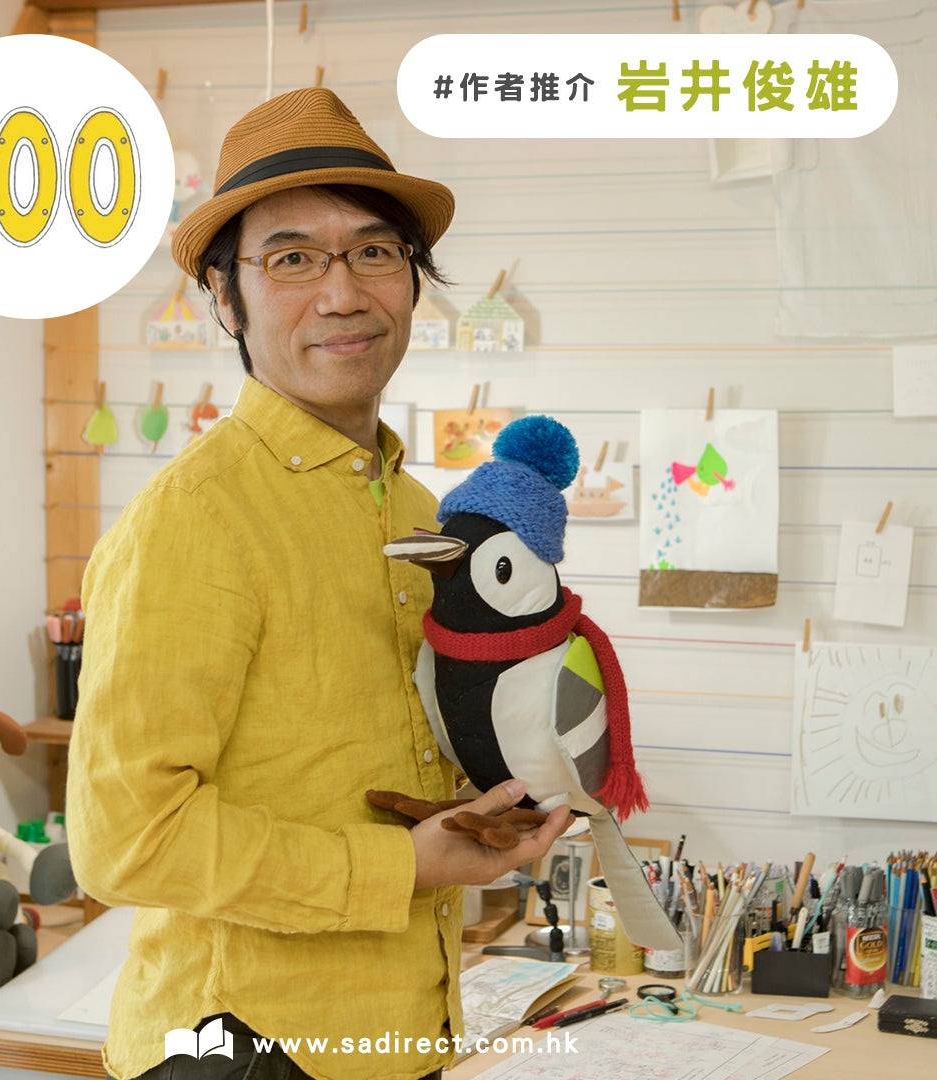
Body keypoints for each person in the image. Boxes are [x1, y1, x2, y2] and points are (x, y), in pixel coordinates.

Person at [65, 87, 571, 1080]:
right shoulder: (193, 520)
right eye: (291, 258)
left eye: (375, 251)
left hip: (400, 1029)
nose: (343, 293)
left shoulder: (432, 514)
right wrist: (399, 868)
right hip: (244, 1050)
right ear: (225, 296)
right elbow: (125, 840)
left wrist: (486, 802)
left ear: (413, 284)